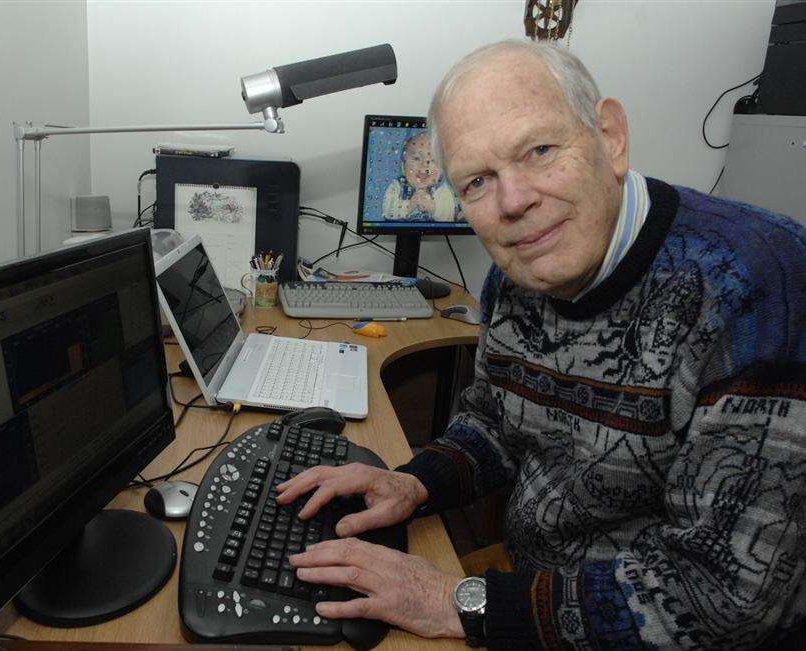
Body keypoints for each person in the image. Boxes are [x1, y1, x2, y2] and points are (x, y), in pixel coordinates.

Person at [277, 39, 806, 649]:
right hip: (539, 595)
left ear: (609, 136)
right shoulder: (515, 275)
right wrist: (414, 483)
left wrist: (461, 602)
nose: (513, 201)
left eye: (539, 151)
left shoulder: (762, 283)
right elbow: (497, 425)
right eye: (477, 181)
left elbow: (726, 599)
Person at [381, 131, 459, 222]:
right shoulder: (397, 187)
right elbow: (387, 212)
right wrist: (408, 206)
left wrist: (433, 207)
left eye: (433, 160)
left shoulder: (441, 189)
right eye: (417, 158)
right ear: (403, 164)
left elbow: (450, 216)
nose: (424, 165)